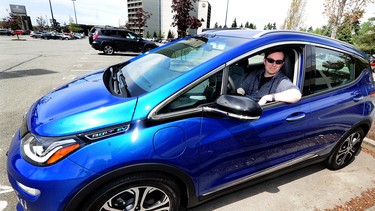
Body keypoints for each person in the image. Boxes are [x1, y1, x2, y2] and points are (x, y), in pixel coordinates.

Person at [236, 51, 301, 106]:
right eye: (270, 60)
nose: (274, 65)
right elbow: (243, 88)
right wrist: (238, 95)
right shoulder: (256, 73)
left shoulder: (281, 81)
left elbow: (296, 95)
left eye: (278, 62)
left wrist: (267, 97)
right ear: (264, 61)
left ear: (282, 64)